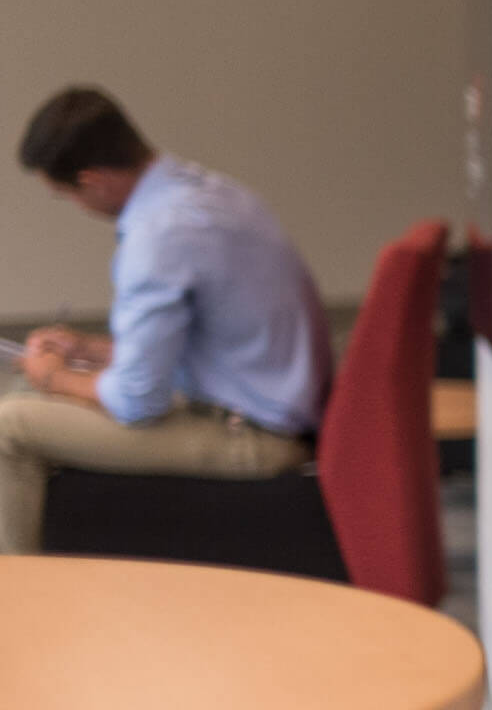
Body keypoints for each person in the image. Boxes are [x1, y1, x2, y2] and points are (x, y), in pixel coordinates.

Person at [2, 88, 329, 554]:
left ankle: (22, 604)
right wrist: (89, 351)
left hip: (251, 436)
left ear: (92, 180)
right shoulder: (209, 193)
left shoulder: (158, 236)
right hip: (265, 406)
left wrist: (54, 376)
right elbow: (208, 341)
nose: (76, 206)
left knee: (9, 426)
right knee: (30, 393)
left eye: (67, 195)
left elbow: (138, 399)